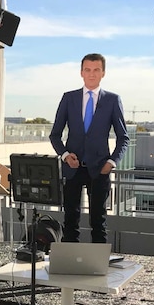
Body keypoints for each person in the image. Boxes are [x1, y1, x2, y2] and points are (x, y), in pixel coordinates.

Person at [49, 53, 129, 243]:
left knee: (98, 222)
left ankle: (98, 268)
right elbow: (55, 135)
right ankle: (71, 266)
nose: (91, 74)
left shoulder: (112, 100)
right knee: (70, 221)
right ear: (81, 72)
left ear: (103, 73)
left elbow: (123, 138)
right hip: (73, 169)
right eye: (87, 70)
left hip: (100, 168)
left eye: (96, 70)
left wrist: (111, 162)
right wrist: (65, 155)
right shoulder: (69, 98)